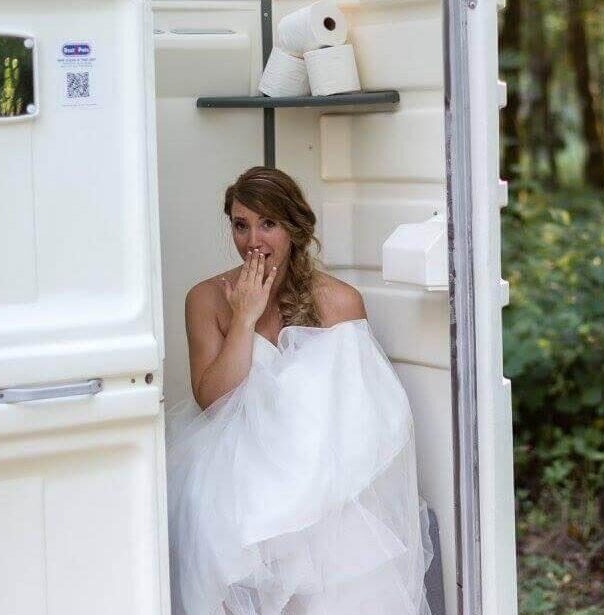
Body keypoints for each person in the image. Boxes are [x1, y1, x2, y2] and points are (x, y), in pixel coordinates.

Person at [165, 166, 433, 615]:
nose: (254, 239)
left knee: (333, 538)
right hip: (232, 460)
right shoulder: (206, 298)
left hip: (318, 466)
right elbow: (212, 401)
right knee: (215, 518)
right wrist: (245, 320)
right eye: (240, 224)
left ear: (294, 228)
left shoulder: (339, 301)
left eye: (268, 223)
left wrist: (306, 482)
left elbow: (367, 417)